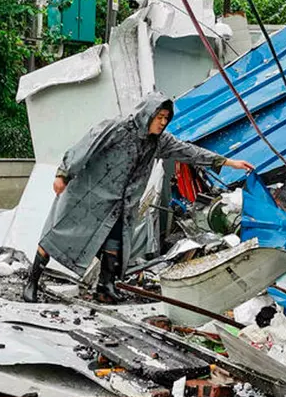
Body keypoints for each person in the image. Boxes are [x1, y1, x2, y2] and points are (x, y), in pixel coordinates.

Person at [23, 91, 255, 304]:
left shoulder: (160, 142)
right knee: (57, 236)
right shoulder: (117, 128)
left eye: (167, 118)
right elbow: (86, 146)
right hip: (88, 196)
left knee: (114, 244)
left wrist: (227, 162)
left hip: (118, 204)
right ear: (148, 113)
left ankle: (105, 288)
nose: (163, 122)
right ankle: (32, 281)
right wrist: (63, 173)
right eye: (159, 116)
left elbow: (189, 152)